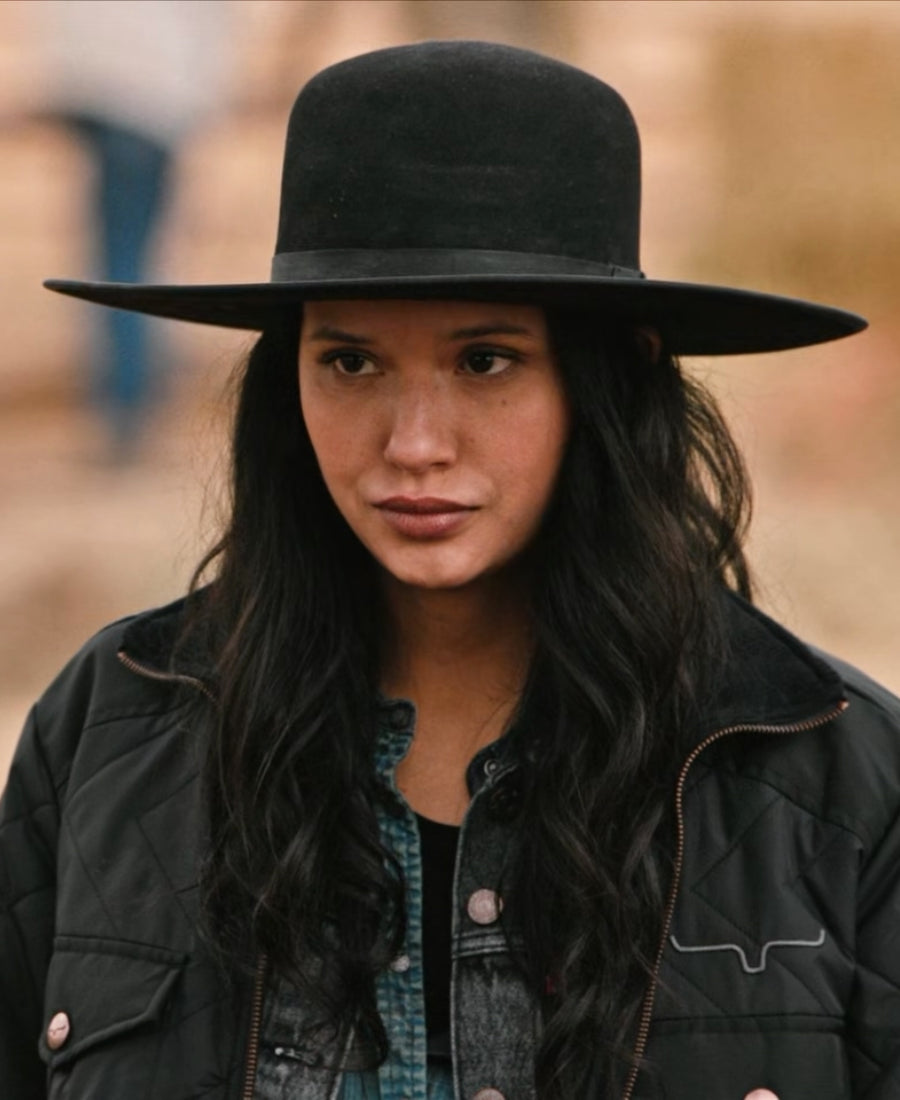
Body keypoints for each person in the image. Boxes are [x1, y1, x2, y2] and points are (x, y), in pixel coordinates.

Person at [2, 40, 899, 1100]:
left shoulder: (830, 778)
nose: (414, 441)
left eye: (486, 361)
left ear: (609, 381)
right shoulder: (112, 731)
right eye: (351, 361)